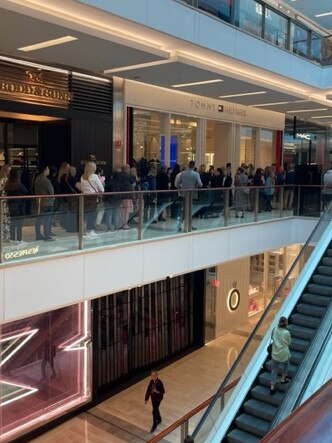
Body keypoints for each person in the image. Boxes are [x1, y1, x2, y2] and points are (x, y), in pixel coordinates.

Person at [175, 160, 202, 230]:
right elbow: (200, 184)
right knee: (190, 210)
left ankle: (181, 225)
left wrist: (180, 190)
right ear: (194, 166)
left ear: (188, 165)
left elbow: (177, 184)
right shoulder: (196, 174)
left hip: (184, 194)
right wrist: (195, 186)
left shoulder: (183, 173)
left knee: (184, 210)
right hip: (192, 194)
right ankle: (189, 224)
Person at [80, 161, 104, 237]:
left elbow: (82, 188)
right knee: (92, 215)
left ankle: (87, 230)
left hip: (84, 198)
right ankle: (90, 231)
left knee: (86, 215)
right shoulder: (95, 176)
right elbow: (102, 189)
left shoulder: (82, 177)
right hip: (92, 198)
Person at [270, 316, 291, 395]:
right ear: (286, 323)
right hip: (283, 354)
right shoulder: (286, 333)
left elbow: (272, 338)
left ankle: (272, 387)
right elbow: (289, 342)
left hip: (275, 353)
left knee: (274, 369)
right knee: (286, 364)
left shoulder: (274, 330)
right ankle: (283, 378)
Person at [5, 170, 28, 243]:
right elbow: (25, 191)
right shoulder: (18, 184)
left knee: (12, 224)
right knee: (19, 225)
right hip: (19, 206)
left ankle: (12, 238)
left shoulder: (7, 184)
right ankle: (19, 239)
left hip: (11, 206)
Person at [34, 165, 55, 241]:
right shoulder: (46, 180)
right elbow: (51, 192)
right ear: (45, 170)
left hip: (39, 202)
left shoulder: (37, 179)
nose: (49, 171)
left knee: (38, 220)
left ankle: (38, 235)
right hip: (47, 203)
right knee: (47, 220)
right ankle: (46, 235)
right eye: (48, 169)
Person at [0, 164, 11, 241]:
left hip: (4, 201)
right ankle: (5, 236)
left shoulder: (3, 179)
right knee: (5, 219)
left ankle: (5, 236)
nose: (10, 172)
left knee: (5, 219)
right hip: (4, 201)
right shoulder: (4, 179)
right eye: (9, 170)